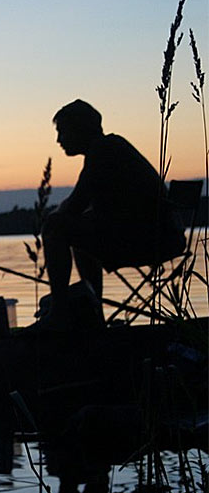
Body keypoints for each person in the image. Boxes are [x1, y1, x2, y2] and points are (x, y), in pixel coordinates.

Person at [36, 99, 185, 330]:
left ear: (80, 129)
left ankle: (60, 312)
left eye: (62, 132)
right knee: (76, 232)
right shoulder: (110, 147)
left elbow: (75, 204)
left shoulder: (103, 151)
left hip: (152, 239)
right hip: (158, 235)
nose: (59, 140)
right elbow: (86, 205)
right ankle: (94, 315)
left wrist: (50, 219)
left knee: (57, 227)